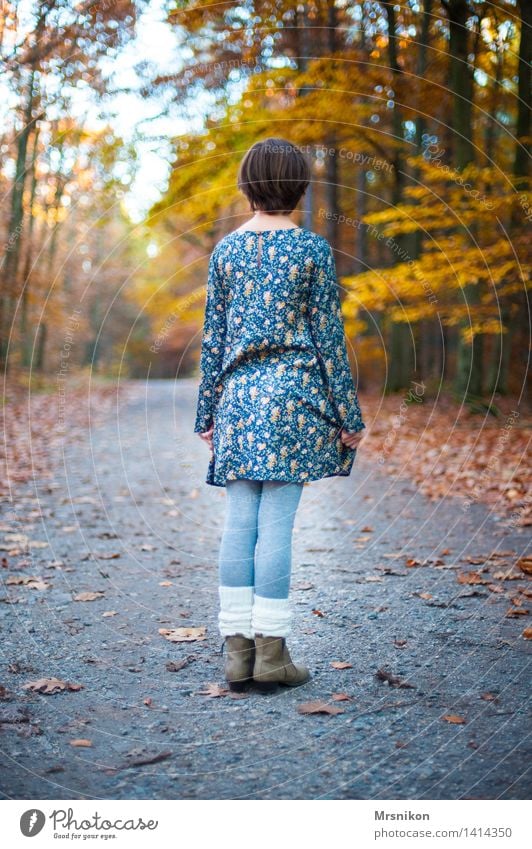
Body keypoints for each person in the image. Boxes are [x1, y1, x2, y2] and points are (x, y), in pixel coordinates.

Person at [194, 138, 365, 693]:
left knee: (238, 526)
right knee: (276, 531)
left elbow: (213, 342)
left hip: (239, 403)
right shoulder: (312, 251)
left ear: (247, 186)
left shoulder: (226, 252)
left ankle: (236, 654)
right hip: (296, 401)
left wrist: (206, 414)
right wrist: (348, 413)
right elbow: (329, 340)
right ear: (299, 187)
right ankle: (273, 654)